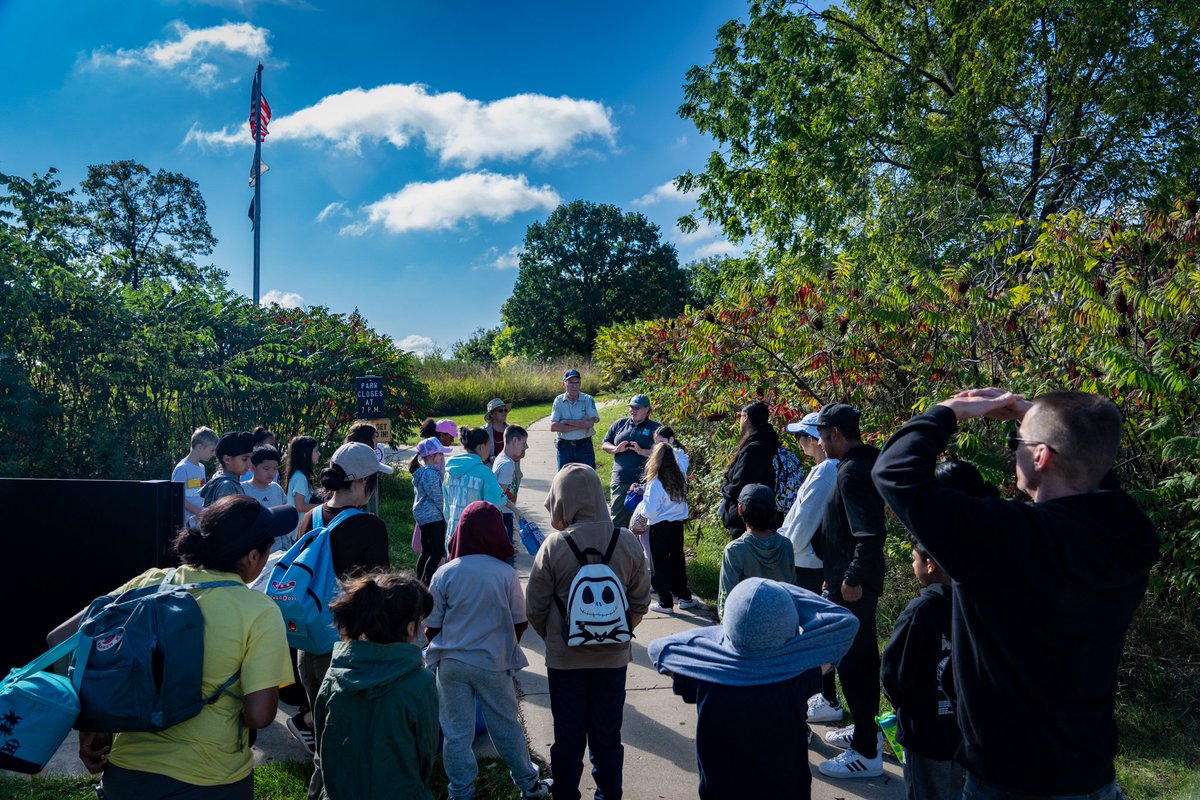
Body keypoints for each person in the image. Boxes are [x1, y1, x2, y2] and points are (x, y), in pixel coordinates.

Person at [871, 388, 1160, 799]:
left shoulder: (1005, 538)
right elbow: (1097, 480)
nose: (1013, 454)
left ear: (1041, 456)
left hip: (1009, 783)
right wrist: (1051, 425)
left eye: (1018, 443)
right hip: (1092, 777)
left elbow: (894, 473)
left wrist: (949, 411)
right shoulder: (1131, 538)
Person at [77, 496, 296, 799]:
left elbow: (62, 639)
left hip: (124, 778)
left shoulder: (149, 581)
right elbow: (259, 715)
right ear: (254, 557)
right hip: (212, 780)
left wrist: (91, 722)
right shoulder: (259, 610)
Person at [649, 578, 860, 800]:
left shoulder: (705, 677)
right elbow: (845, 622)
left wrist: (720, 639)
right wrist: (783, 589)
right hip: (787, 792)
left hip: (720, 792)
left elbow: (660, 648)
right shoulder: (799, 675)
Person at [526, 464, 652, 800]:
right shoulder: (626, 542)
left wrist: (556, 637)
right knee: (607, 735)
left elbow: (535, 607)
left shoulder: (553, 547)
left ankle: (566, 793)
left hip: (565, 661)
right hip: (613, 661)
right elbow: (641, 601)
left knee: (567, 736)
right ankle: (609, 794)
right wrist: (617, 632)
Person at [426, 502, 553, 800]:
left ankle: (460, 791)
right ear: (497, 532)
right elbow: (519, 622)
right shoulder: (505, 574)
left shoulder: (444, 573)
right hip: (492, 663)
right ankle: (529, 784)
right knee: (505, 725)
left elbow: (431, 627)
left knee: (456, 733)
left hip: (451, 663)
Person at [290, 442, 393, 792]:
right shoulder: (370, 527)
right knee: (352, 741)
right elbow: (377, 596)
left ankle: (319, 789)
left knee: (324, 736)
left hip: (309, 647)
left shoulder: (311, 517)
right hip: (349, 650)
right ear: (363, 480)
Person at [812, 403, 889, 780]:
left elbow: (869, 533)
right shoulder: (861, 464)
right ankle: (864, 730)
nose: (821, 444)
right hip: (847, 581)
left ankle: (865, 753)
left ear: (836, 434)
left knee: (858, 663)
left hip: (854, 587)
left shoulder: (853, 473)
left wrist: (852, 577)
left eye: (823, 437)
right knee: (854, 659)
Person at [313, 570, 439, 800]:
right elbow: (426, 752)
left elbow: (323, 743)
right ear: (411, 627)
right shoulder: (421, 682)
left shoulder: (335, 674)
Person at [882, 523, 967, 800]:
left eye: (914, 558)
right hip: (961, 727)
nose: (912, 563)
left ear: (930, 565)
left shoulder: (920, 610)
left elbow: (894, 672)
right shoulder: (972, 605)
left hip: (924, 731)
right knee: (954, 789)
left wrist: (896, 699)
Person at [779, 411, 843, 724]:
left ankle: (826, 698)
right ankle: (824, 695)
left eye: (801, 437)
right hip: (810, 562)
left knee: (810, 632)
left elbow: (803, 523)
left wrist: (782, 552)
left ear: (814, 439)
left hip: (807, 565)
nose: (800, 443)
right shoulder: (826, 468)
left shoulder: (827, 471)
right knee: (816, 630)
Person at [637, 442, 699, 613]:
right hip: (677, 526)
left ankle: (665, 601)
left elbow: (649, 511)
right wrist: (670, 447)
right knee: (677, 561)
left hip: (659, 527)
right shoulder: (681, 476)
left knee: (660, 563)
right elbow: (684, 457)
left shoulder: (655, 483)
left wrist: (641, 507)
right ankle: (684, 597)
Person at [717, 484, 795, 617]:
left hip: (746, 624)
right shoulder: (786, 545)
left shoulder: (735, 550)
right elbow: (793, 588)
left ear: (740, 509)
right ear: (773, 511)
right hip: (782, 621)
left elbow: (726, 596)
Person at [718, 400, 780, 538]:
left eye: (740, 416)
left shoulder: (755, 448)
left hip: (750, 520)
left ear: (745, 418)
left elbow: (741, 483)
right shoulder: (769, 441)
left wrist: (724, 489)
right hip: (763, 516)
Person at [600, 394, 661, 528]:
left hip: (643, 482)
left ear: (647, 409)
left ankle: (638, 548)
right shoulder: (620, 424)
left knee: (642, 521)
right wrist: (616, 449)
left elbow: (663, 452)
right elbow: (605, 443)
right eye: (632, 407)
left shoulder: (655, 428)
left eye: (637, 408)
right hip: (620, 479)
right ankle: (617, 547)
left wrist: (642, 451)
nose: (633, 410)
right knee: (617, 520)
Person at [444, 426, 507, 543]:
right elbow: (496, 502)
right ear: (482, 447)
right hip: (476, 538)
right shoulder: (485, 473)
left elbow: (447, 509)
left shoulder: (449, 472)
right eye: (489, 446)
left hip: (453, 536)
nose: (489, 451)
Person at [410, 436, 453, 586]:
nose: (442, 457)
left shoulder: (423, 472)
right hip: (433, 517)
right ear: (431, 456)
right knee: (437, 552)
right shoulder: (430, 474)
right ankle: (427, 583)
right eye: (440, 454)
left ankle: (419, 580)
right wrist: (447, 514)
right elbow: (438, 497)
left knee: (427, 551)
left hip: (424, 517)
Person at [551, 368, 601, 469]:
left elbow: (590, 424)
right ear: (564, 383)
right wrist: (582, 423)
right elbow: (554, 426)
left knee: (588, 479)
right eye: (570, 382)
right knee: (564, 481)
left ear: (580, 384)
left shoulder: (588, 399)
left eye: (577, 383)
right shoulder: (558, 400)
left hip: (584, 446)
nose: (574, 386)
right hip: (565, 447)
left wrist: (566, 422)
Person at [244, 445, 290, 552]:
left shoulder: (277, 489)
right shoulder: (242, 490)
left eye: (275, 468)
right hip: (253, 553)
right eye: (266, 468)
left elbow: (284, 522)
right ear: (252, 467)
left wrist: (286, 549)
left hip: (277, 552)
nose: (271, 473)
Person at [494, 425, 529, 558]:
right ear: (514, 440)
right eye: (523, 443)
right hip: (503, 516)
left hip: (503, 514)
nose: (524, 447)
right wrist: (517, 511)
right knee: (507, 556)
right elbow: (500, 496)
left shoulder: (501, 458)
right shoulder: (508, 465)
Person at [173, 426, 218, 527]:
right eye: (211, 450)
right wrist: (202, 513)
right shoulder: (182, 468)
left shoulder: (202, 467)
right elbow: (179, 499)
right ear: (199, 447)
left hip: (199, 524)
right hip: (186, 527)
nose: (213, 454)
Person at [199, 431, 254, 505]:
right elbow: (227, 516)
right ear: (227, 459)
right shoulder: (227, 486)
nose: (250, 464)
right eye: (244, 459)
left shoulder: (221, 480)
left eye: (251, 458)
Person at [345, 422, 383, 515]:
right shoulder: (363, 462)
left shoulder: (345, 456)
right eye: (374, 437)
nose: (377, 440)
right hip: (356, 511)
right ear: (365, 439)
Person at [285, 435, 323, 518]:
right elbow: (300, 506)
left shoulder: (299, 474)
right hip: (297, 528)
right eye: (316, 451)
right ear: (305, 454)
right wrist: (324, 506)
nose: (319, 454)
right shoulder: (300, 477)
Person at [484, 398, 511, 463]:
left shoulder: (511, 430)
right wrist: (490, 459)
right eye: (500, 410)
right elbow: (478, 454)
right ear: (492, 414)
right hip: (489, 468)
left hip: (509, 468)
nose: (504, 413)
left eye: (506, 410)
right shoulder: (483, 431)